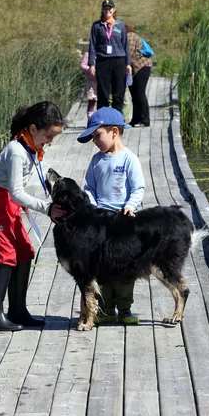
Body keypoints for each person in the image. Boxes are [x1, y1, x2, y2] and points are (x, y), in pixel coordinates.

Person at [0, 102, 65, 332]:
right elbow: (16, 192)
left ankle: (17, 310)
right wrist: (47, 208)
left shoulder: (32, 147)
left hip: (9, 203)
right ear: (33, 129)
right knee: (5, 253)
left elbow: (20, 189)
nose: (51, 141)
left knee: (24, 251)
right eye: (49, 135)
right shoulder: (16, 151)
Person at [78, 107, 145, 325]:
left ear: (114, 131)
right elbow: (89, 187)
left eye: (97, 136)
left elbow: (138, 188)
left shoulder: (129, 159)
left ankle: (125, 308)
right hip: (100, 221)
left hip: (122, 221)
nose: (95, 141)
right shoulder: (96, 161)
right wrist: (92, 205)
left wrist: (130, 205)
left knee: (125, 266)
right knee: (101, 266)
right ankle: (105, 309)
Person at [88, 0, 132, 113]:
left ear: (114, 10)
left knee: (118, 93)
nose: (107, 10)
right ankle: (103, 119)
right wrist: (92, 64)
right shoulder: (97, 26)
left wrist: (128, 63)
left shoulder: (120, 25)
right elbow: (92, 45)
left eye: (110, 8)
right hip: (103, 61)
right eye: (105, 8)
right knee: (103, 93)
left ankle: (117, 119)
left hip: (119, 61)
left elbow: (125, 45)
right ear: (102, 10)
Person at [126, 25, 152, 127]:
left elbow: (129, 53)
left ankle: (145, 120)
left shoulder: (131, 36)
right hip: (134, 68)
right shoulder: (126, 37)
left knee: (140, 93)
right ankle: (136, 119)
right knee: (134, 95)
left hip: (142, 66)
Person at [80, 50, 97, 124]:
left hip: (102, 81)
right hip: (91, 82)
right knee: (91, 101)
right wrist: (90, 69)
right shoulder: (88, 54)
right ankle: (90, 121)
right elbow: (82, 65)